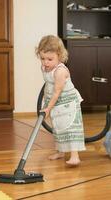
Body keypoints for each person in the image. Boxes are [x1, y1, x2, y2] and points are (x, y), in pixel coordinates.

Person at [36, 35, 86, 166]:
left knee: (70, 127)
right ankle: (61, 151)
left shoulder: (60, 71)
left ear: (59, 56)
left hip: (68, 103)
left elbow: (57, 91)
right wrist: (47, 105)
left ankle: (75, 156)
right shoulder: (46, 68)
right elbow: (49, 87)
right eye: (42, 58)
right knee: (58, 127)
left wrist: (48, 108)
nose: (45, 62)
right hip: (55, 103)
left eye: (50, 59)